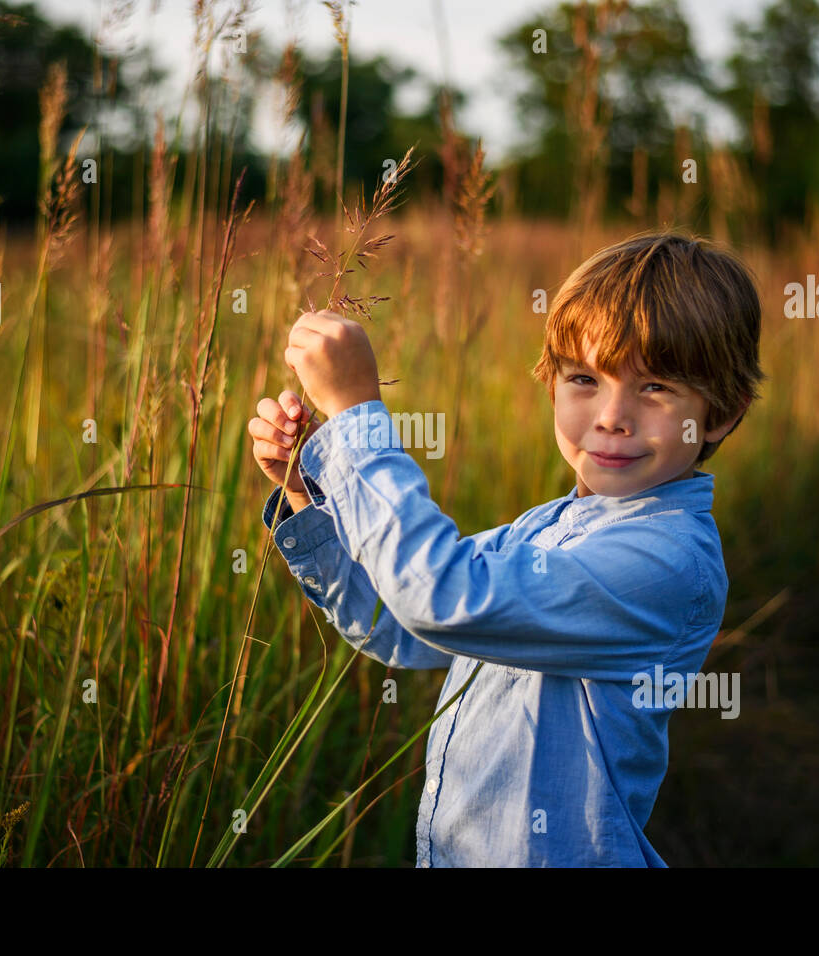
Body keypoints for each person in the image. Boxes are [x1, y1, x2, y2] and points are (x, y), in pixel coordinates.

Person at [247, 230, 767, 866]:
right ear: (550, 384)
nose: (611, 415)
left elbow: (439, 597)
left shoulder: (665, 561)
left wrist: (357, 417)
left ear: (721, 415)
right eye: (584, 378)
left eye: (655, 388)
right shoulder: (547, 528)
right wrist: (307, 497)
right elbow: (401, 627)